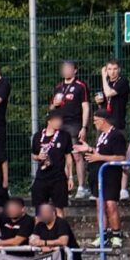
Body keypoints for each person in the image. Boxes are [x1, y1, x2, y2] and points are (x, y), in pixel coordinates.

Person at [78, 107, 128, 246]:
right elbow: (98, 154)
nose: (94, 123)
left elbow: (120, 157)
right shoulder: (101, 136)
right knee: (100, 205)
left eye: (95, 121)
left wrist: (99, 157)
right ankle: (103, 234)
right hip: (98, 175)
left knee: (111, 205)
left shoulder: (116, 135)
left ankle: (117, 234)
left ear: (103, 120)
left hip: (111, 176)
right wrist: (88, 149)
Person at [51, 60, 92, 197]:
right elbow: (51, 109)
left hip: (74, 124)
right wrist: (54, 104)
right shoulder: (58, 87)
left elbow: (85, 107)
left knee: (77, 155)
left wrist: (84, 127)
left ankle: (81, 187)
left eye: (69, 68)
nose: (66, 70)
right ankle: (66, 187)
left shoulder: (81, 86)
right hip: (60, 125)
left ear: (75, 70)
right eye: (64, 68)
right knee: (62, 156)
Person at [30, 110, 71, 209]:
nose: (59, 122)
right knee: (39, 209)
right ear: (49, 121)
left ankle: (60, 225)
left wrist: (70, 177)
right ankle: (39, 225)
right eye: (57, 120)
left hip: (58, 177)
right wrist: (38, 157)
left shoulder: (65, 136)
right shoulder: (38, 136)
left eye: (60, 120)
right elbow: (33, 155)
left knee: (59, 208)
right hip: (42, 177)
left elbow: (68, 157)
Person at [97, 60, 130, 132]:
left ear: (119, 69)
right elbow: (102, 102)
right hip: (104, 122)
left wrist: (103, 76)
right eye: (109, 69)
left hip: (117, 122)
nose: (112, 72)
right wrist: (98, 101)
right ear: (106, 70)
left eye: (115, 69)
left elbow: (108, 93)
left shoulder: (123, 81)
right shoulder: (106, 82)